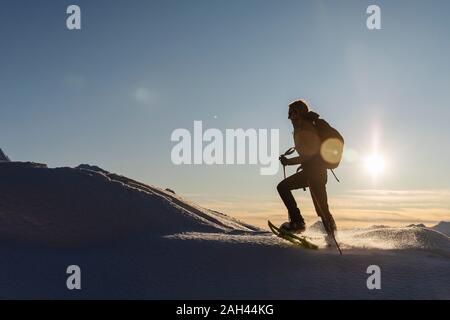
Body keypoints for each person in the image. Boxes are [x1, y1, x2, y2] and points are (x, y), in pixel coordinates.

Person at [277, 99, 337, 239]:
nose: (290, 116)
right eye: (289, 113)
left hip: (315, 172)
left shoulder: (305, 126)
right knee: (322, 209)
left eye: (293, 112)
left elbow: (310, 153)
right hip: (314, 172)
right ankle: (332, 236)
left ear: (301, 112)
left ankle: (298, 223)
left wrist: (289, 161)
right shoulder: (301, 127)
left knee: (321, 208)